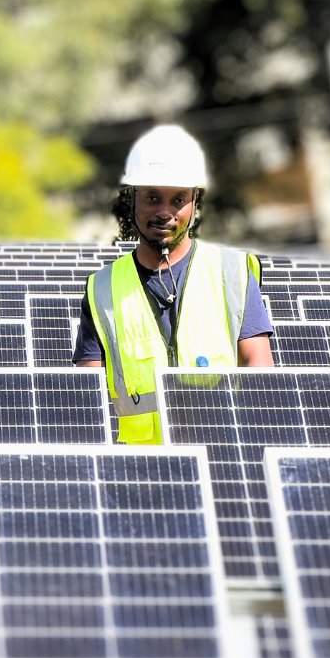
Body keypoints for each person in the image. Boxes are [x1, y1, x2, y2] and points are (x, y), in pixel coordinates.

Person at [74, 124, 273, 444]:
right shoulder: (101, 290)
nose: (164, 212)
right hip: (141, 473)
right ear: (133, 199)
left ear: (194, 202)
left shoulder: (232, 273)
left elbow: (258, 365)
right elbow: (88, 399)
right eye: (152, 197)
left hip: (224, 457)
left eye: (178, 199)